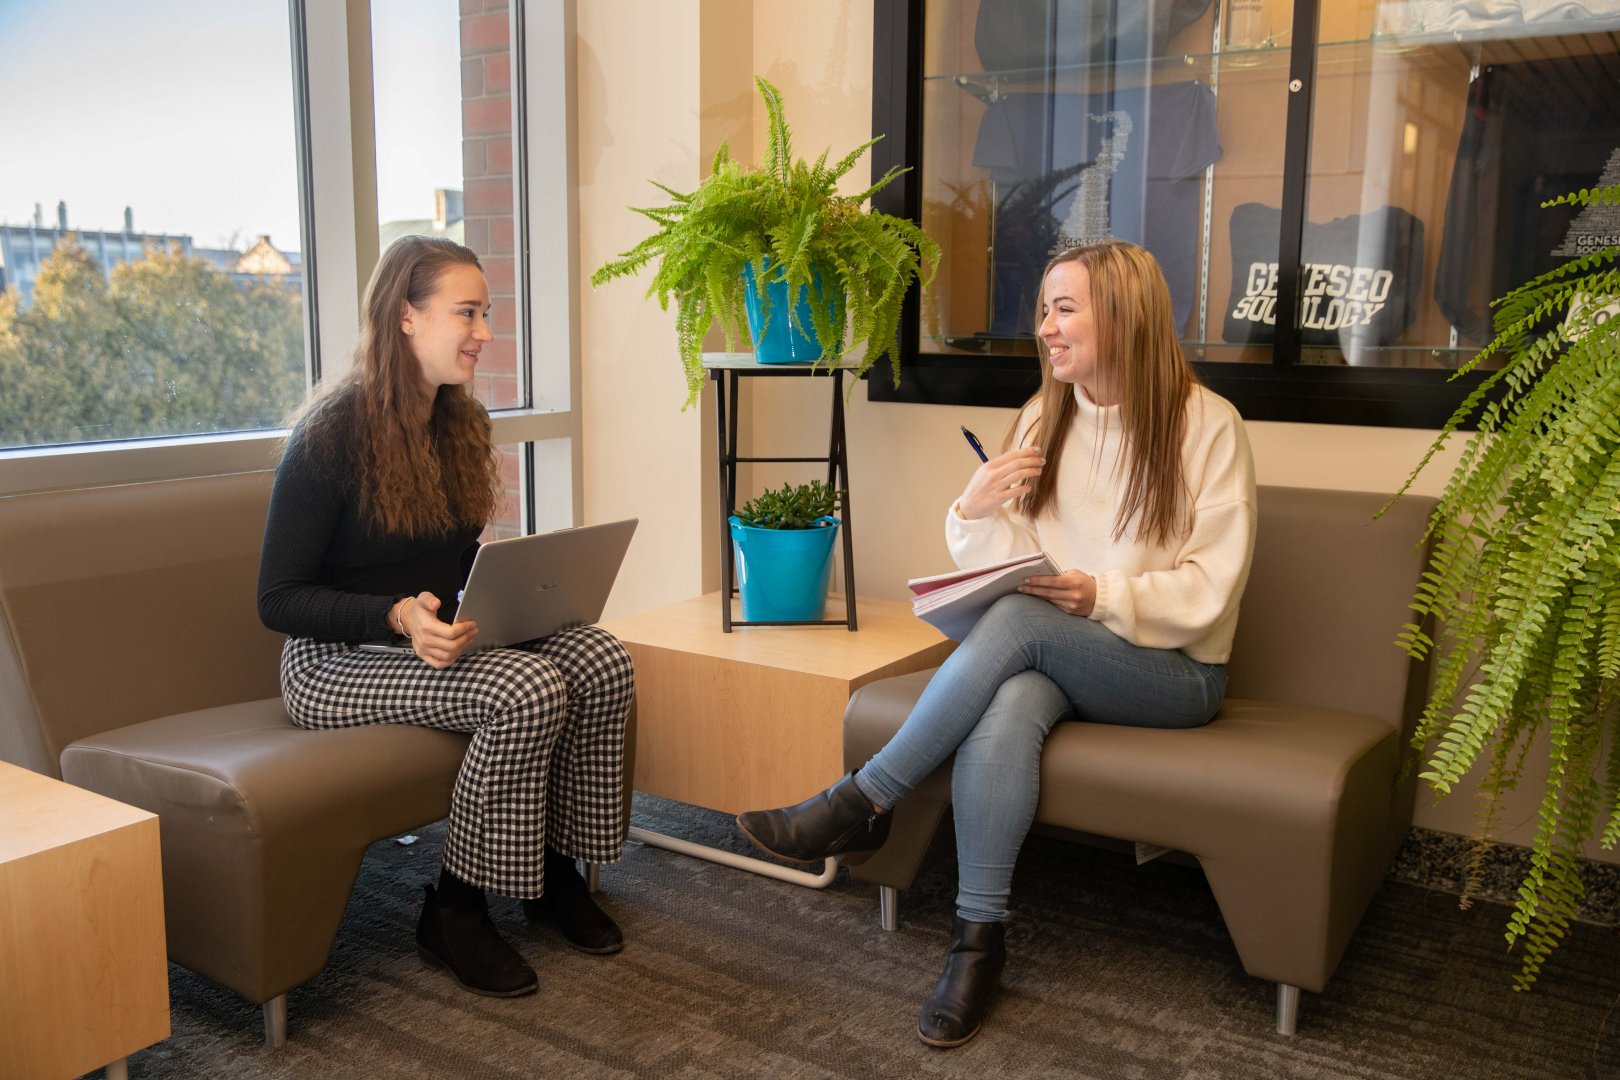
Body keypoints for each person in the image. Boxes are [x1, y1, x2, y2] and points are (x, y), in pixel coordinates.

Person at [736, 239, 1256, 1047]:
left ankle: (862, 800)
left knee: (1018, 629)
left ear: (1124, 316)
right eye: (1043, 309)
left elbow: (1211, 590)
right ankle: (977, 944)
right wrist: (974, 509)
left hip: (1177, 673)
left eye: (1065, 308)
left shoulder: (1207, 426)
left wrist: (1101, 593)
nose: (1045, 328)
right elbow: (1010, 560)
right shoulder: (1045, 416)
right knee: (1011, 697)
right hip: (1059, 652)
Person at [257, 236, 634, 999]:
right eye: (467, 313)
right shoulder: (329, 438)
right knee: (525, 688)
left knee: (598, 655)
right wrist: (395, 615)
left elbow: (453, 566)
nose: (485, 332)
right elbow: (277, 598)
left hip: (419, 646)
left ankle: (553, 870)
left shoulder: (458, 425)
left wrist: (515, 600)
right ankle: (455, 910)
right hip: (332, 665)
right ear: (405, 316)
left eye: (485, 313)